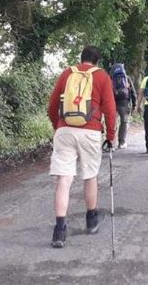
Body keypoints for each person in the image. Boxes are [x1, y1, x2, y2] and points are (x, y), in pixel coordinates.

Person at [47, 45, 117, 248]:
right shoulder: (102, 77)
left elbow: (52, 105)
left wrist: (58, 126)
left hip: (65, 129)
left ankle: (59, 230)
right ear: (97, 61)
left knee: (64, 179)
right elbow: (110, 111)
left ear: (81, 58)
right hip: (91, 131)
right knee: (90, 175)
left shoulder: (67, 73)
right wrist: (111, 136)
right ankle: (91, 219)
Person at [109, 62, 137, 149]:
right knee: (124, 121)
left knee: (111, 122)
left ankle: (111, 143)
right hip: (124, 102)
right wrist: (134, 104)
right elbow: (133, 92)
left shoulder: (110, 78)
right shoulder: (126, 78)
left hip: (112, 102)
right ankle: (121, 142)